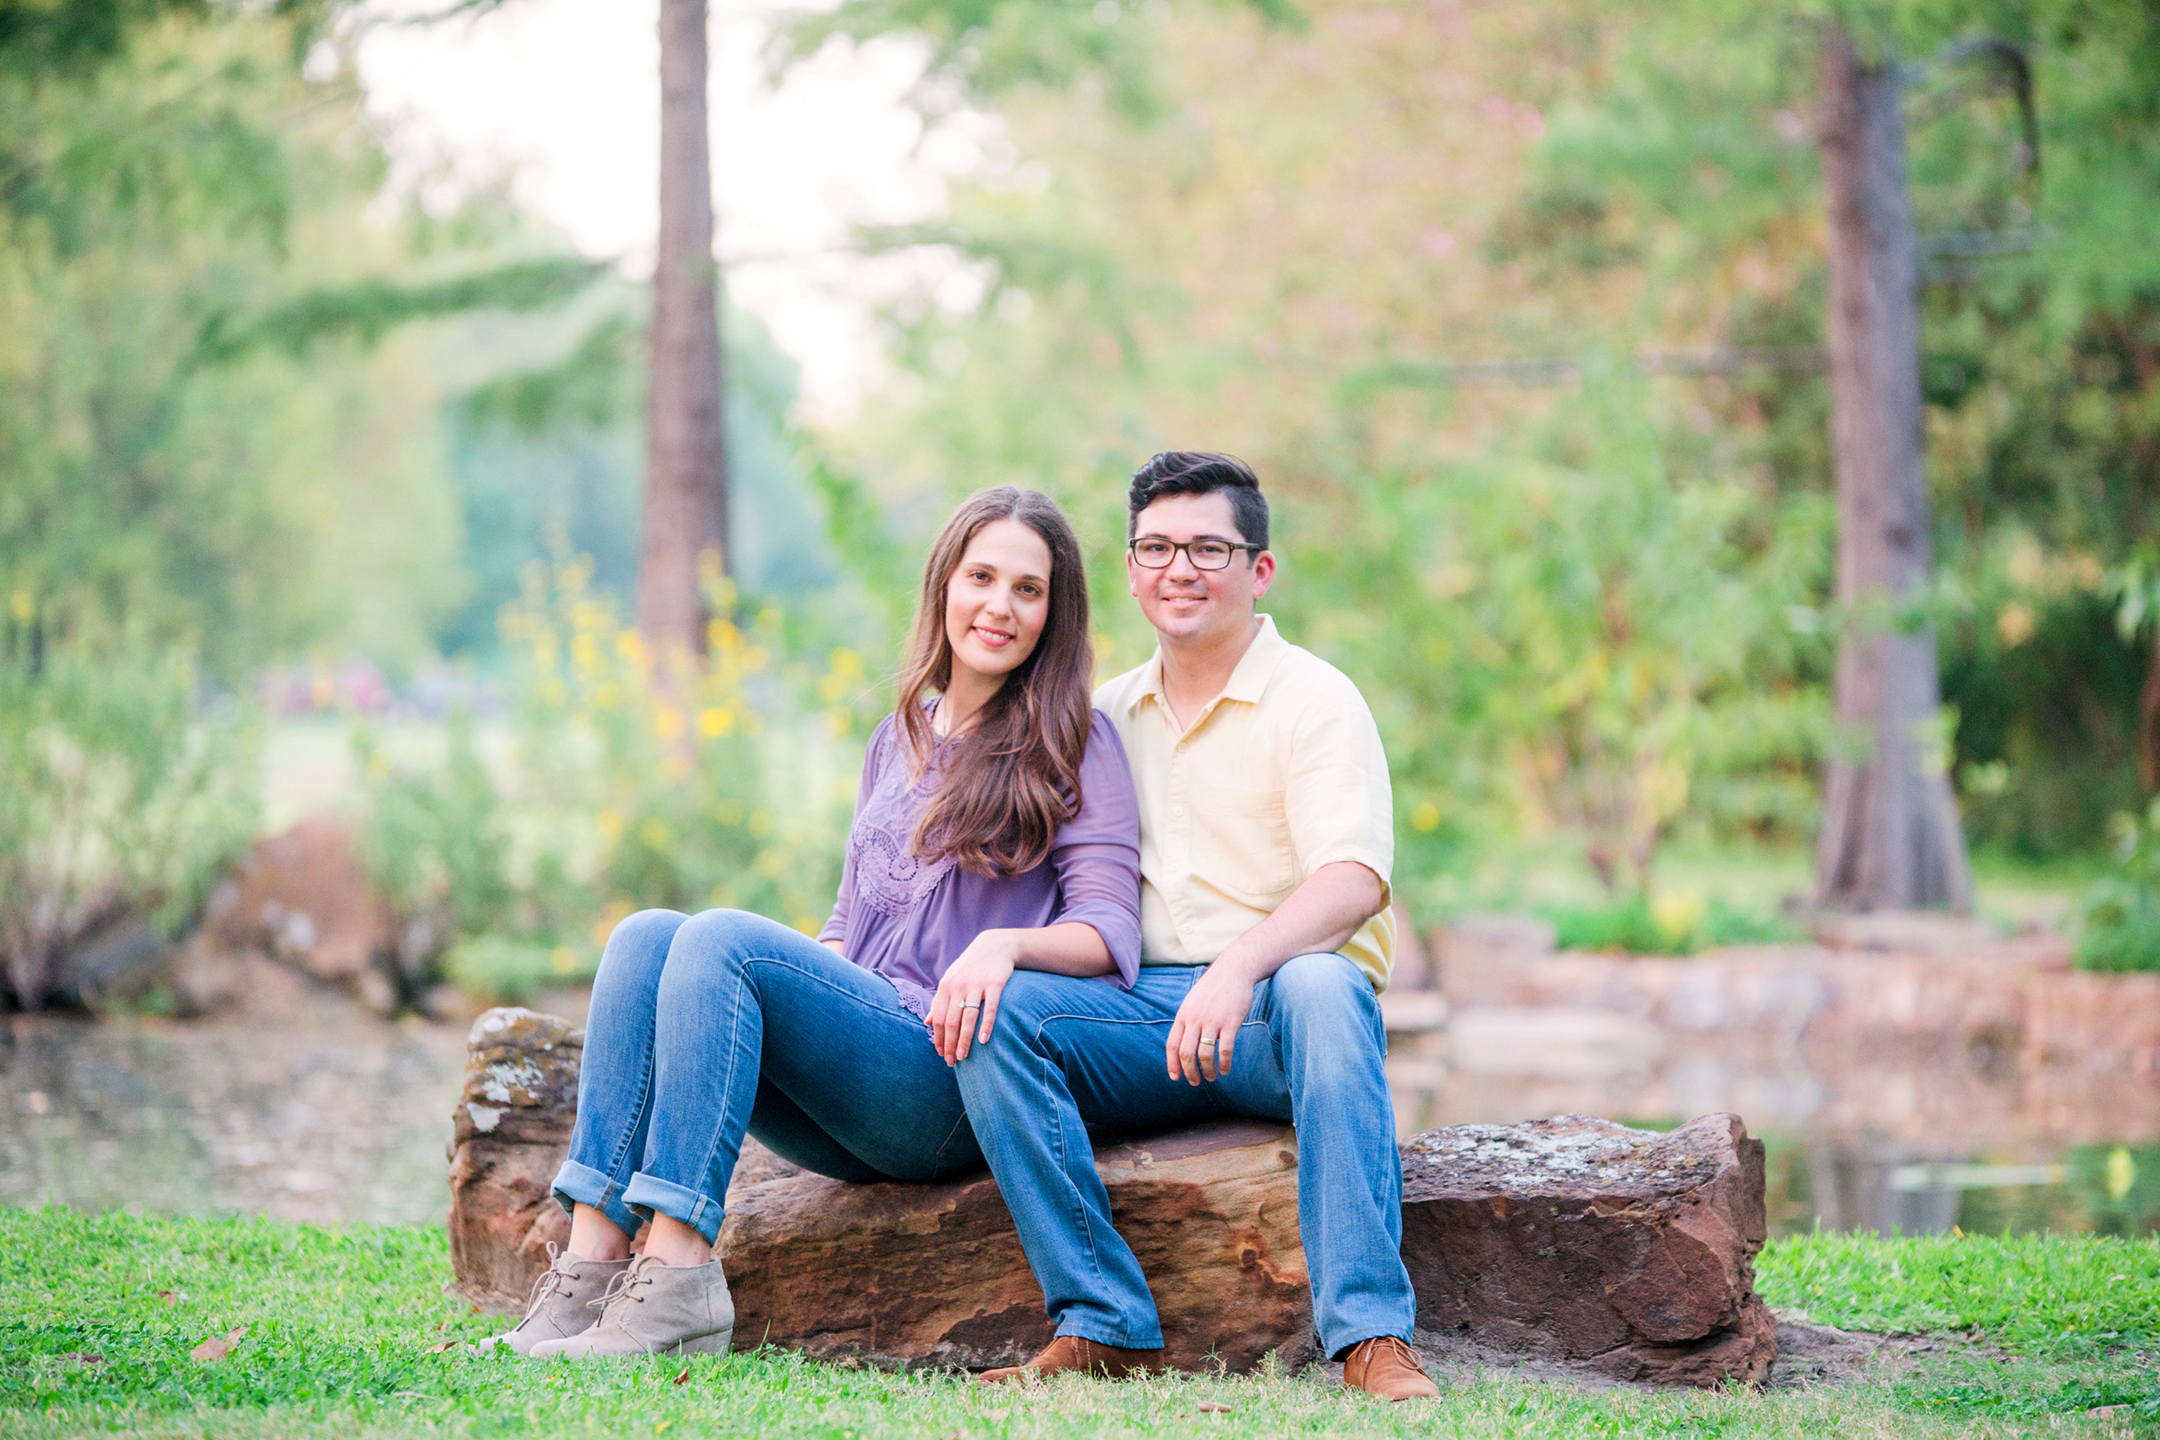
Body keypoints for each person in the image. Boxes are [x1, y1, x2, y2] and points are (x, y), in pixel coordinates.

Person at [490, 486, 1143, 1359]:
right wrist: (803, 992)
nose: (1001, 606)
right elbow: (846, 922)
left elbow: (1109, 928)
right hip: (856, 1073)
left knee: (721, 937)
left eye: (1029, 590)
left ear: (1054, 616)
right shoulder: (897, 736)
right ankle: (591, 1269)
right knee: (646, 936)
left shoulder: (1074, 740)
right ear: (943, 585)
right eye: (981, 577)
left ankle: (678, 1279)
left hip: (948, 1080)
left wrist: (1005, 946)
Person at [953, 452, 1439, 1400]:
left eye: (1209, 549)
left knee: (1322, 982)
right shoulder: (1100, 715)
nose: (1181, 569)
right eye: (1157, 548)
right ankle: (1102, 1323)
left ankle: (1371, 1337)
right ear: (1132, 571)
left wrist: (1240, 967)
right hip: (1139, 1016)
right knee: (998, 1014)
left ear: (1260, 570)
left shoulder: (1316, 700)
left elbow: (1354, 880)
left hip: (1277, 1014)